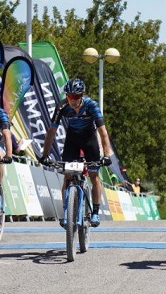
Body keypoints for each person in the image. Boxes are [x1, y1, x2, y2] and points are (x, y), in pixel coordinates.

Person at [39, 77, 113, 228]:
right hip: (72, 138)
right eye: (70, 96)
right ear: (66, 96)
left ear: (82, 96)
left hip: (89, 138)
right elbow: (51, 131)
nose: (73, 100)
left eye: (77, 97)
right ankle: (67, 212)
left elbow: (103, 132)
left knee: (94, 175)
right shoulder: (62, 106)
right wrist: (44, 155)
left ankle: (95, 212)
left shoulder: (91, 105)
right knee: (67, 175)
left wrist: (106, 155)